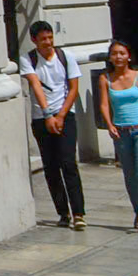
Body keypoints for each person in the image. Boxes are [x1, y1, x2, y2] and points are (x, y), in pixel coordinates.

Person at [95, 40, 138, 236]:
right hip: (121, 133)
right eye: (114, 54)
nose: (118, 57)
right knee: (129, 175)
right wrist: (109, 125)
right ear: (110, 57)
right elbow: (104, 104)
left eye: (122, 53)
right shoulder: (105, 79)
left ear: (129, 56)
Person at [22, 19, 85, 229]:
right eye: (43, 40)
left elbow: (74, 88)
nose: (48, 43)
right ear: (34, 40)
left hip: (65, 115)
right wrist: (48, 115)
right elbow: (36, 86)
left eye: (50, 38)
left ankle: (78, 212)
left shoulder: (65, 57)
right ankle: (63, 212)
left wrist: (60, 116)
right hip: (41, 118)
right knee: (51, 167)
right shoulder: (28, 59)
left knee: (68, 163)